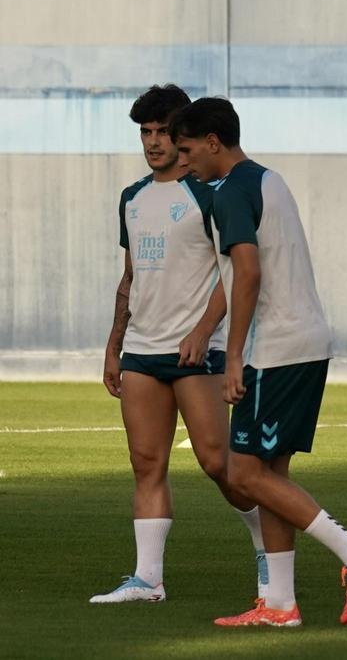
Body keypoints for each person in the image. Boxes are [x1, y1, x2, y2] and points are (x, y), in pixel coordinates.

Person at [170, 97, 347, 627]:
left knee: (242, 472)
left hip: (278, 349)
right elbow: (242, 272)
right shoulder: (268, 180)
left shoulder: (231, 194)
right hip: (306, 341)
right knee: (271, 474)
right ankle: (281, 605)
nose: (183, 162)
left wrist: (236, 354)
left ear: (213, 142)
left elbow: (247, 273)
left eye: (187, 149)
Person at [92, 84, 266, 605]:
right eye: (144, 133)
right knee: (146, 462)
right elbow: (130, 278)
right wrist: (113, 345)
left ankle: (269, 550)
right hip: (142, 352)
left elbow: (233, 271)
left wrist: (201, 331)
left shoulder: (211, 193)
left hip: (198, 354)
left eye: (162, 131)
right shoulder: (132, 197)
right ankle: (148, 580)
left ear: (183, 133)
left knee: (219, 462)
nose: (152, 142)